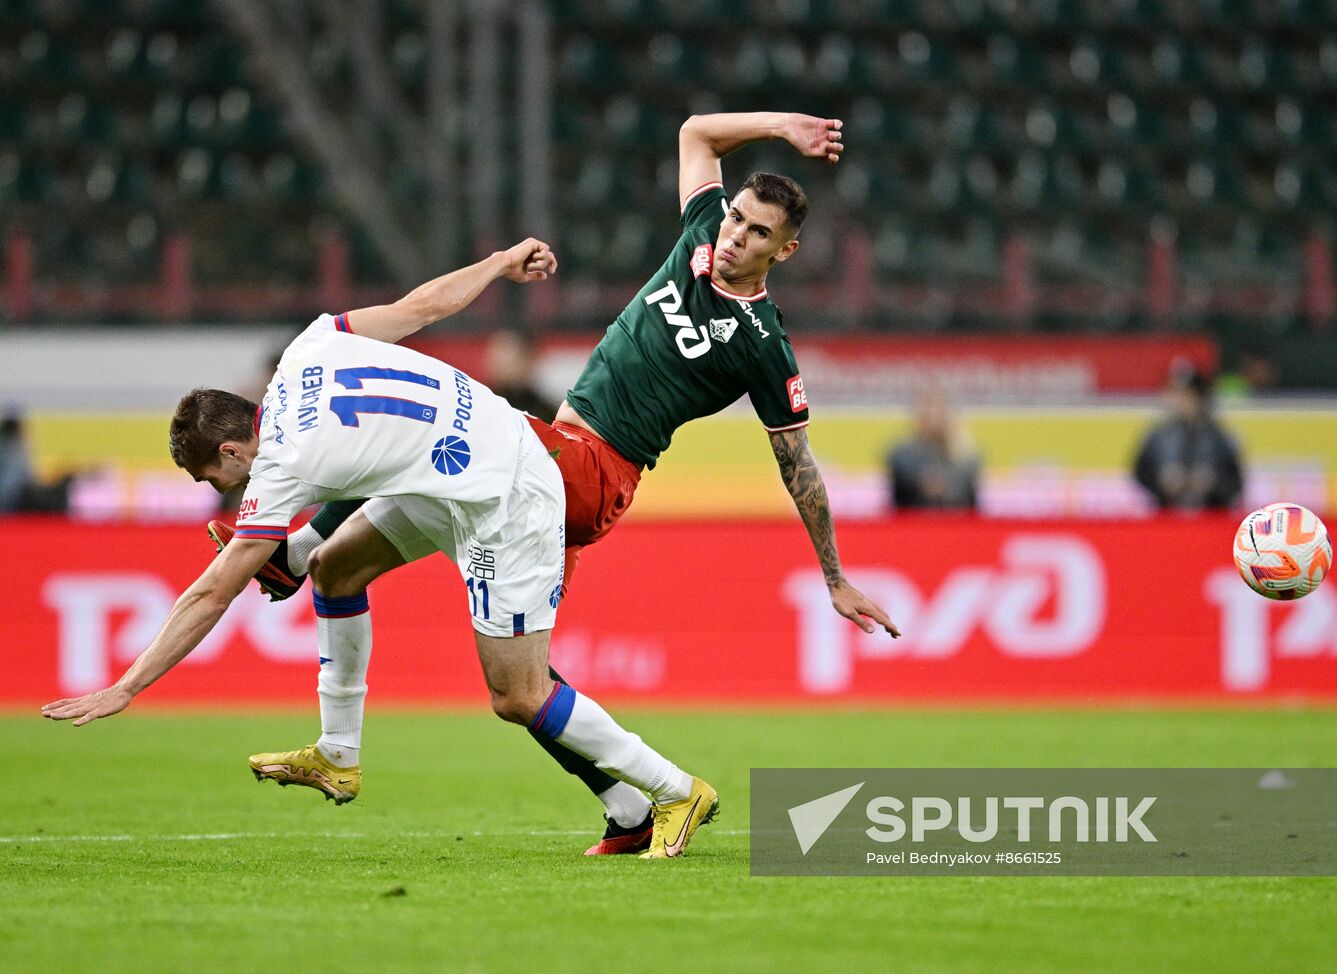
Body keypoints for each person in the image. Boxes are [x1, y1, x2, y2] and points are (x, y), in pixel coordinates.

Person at [212, 112, 900, 855]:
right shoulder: (701, 232)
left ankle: (287, 551)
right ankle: (618, 808)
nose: (735, 236)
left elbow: (797, 464)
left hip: (590, 474)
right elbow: (697, 132)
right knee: (439, 636)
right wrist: (782, 128)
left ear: (786, 250)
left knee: (442, 424)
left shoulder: (765, 346)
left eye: (758, 233)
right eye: (736, 218)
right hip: (539, 469)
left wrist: (834, 577)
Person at [41, 238, 719, 860]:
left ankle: (677, 789)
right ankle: (338, 753)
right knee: (335, 566)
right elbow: (420, 306)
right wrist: (498, 263)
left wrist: (126, 686)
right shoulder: (307, 349)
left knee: (518, 694)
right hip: (468, 456)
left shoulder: (277, 468)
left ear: (229, 449)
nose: (219, 488)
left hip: (508, 496)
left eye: (210, 477)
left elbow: (212, 592)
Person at [1132, 364, 1244, 510]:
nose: (1182, 401)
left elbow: (1235, 481)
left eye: (1188, 395)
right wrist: (1162, 484)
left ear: (1201, 398)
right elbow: (1141, 473)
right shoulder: (1158, 436)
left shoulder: (1219, 436)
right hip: (1167, 516)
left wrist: (1213, 484)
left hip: (1210, 516)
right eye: (1177, 394)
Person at [886, 389, 980, 510]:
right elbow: (898, 499)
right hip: (914, 521)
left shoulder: (967, 456)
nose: (932, 416)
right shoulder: (901, 454)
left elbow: (971, 502)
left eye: (937, 411)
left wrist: (948, 488)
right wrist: (920, 483)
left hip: (955, 520)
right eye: (927, 411)